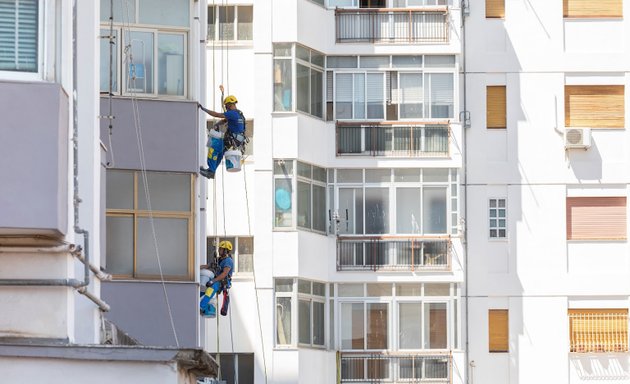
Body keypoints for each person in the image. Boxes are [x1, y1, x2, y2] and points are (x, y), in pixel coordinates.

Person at [198, 87, 246, 179]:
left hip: (231, 140)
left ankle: (211, 171)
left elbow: (217, 115)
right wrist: (217, 124)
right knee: (219, 153)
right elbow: (224, 120)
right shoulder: (239, 114)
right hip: (236, 141)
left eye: (227, 106)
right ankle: (211, 171)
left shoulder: (232, 113)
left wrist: (204, 109)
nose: (227, 109)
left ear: (231, 104)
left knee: (214, 147)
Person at [199, 240, 234, 317]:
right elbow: (208, 266)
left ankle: (201, 306)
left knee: (211, 289)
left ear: (226, 250)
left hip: (222, 281)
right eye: (220, 249)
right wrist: (196, 267)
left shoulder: (228, 261)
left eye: (221, 249)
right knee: (201, 290)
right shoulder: (219, 260)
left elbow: (224, 274)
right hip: (216, 280)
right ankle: (196, 302)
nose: (219, 250)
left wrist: (213, 281)